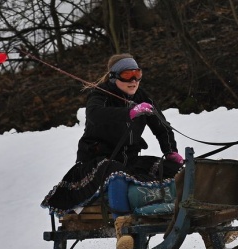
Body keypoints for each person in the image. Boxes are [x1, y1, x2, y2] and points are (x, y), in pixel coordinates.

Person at [41, 54, 184, 217]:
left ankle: (174, 212)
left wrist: (170, 151)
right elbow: (95, 114)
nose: (133, 81)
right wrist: (129, 112)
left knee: (174, 169)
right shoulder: (100, 95)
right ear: (114, 77)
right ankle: (122, 224)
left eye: (137, 75)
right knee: (115, 171)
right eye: (127, 75)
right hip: (97, 162)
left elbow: (162, 128)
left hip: (129, 161)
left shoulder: (142, 97)